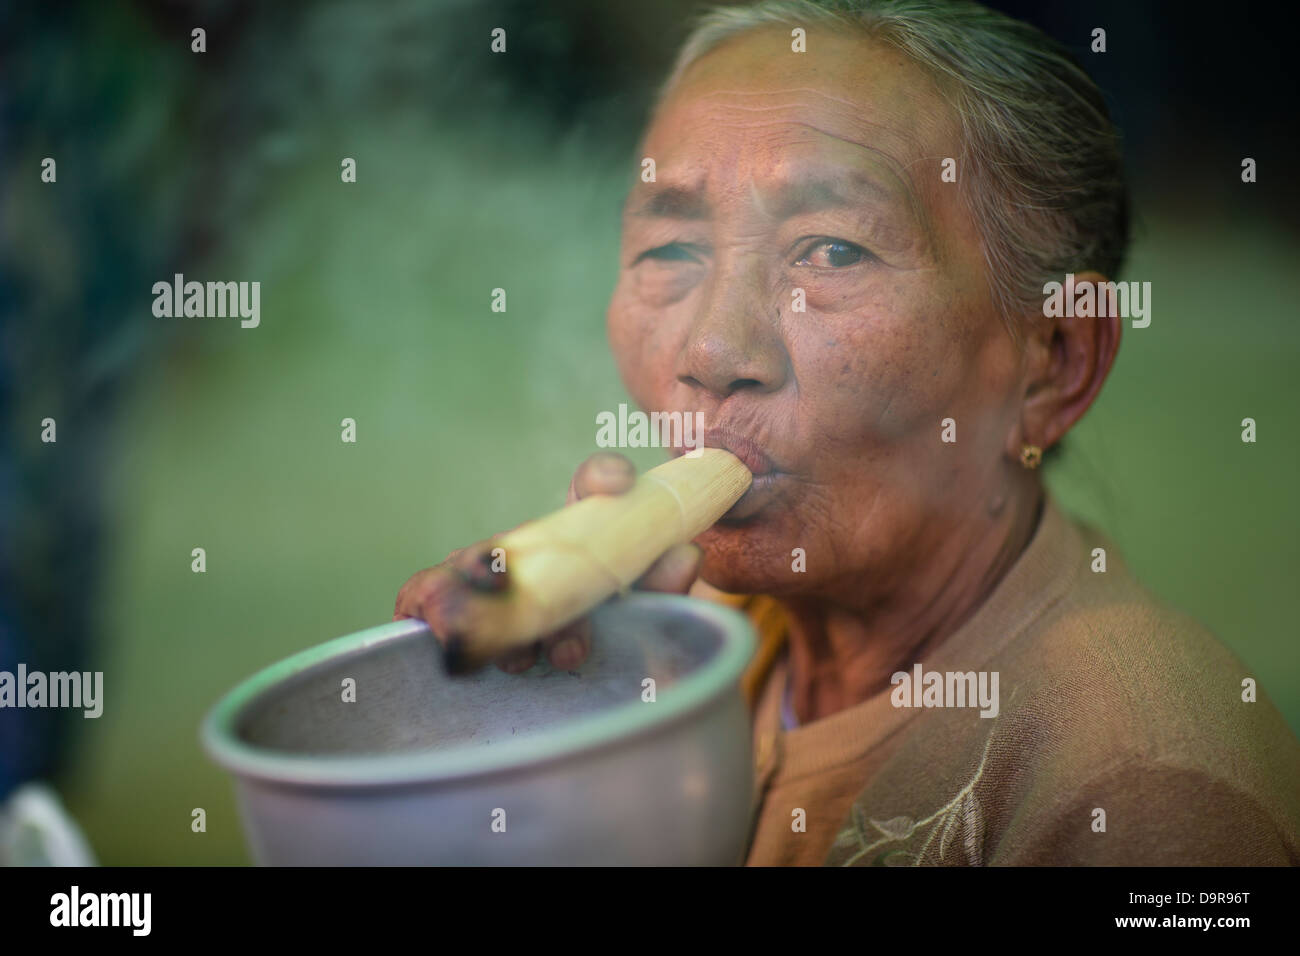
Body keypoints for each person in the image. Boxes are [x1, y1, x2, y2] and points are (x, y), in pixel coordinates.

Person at [396, 0, 1300, 865]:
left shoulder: (1147, 787)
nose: (711, 351)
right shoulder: (688, 643)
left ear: (1053, 361)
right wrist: (560, 737)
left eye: (831, 251)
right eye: (672, 251)